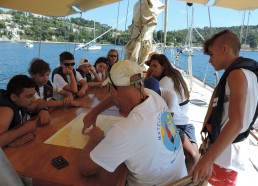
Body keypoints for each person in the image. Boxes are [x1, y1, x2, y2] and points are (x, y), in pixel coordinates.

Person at [79, 60, 187, 185]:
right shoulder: (154, 96)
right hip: (180, 180)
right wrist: (93, 113)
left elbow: (86, 168)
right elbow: (117, 97)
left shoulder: (125, 130)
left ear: (113, 90)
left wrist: (94, 139)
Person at [192, 30, 258, 185]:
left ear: (225, 49)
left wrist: (207, 159)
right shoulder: (251, 74)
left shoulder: (236, 75)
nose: (209, 60)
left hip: (225, 154)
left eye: (211, 54)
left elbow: (237, 123)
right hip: (226, 150)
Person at [144, 77, 199, 174]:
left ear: (158, 92)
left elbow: (167, 122)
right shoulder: (146, 96)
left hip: (179, 124)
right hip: (166, 123)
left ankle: (185, 180)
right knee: (192, 156)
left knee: (194, 156)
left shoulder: (170, 96)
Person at [0, 75, 51, 147]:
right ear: (14, 97)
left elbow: (36, 106)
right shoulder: (7, 110)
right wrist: (25, 128)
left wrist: (44, 109)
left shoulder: (21, 102)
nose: (33, 99)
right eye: (29, 96)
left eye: (33, 95)